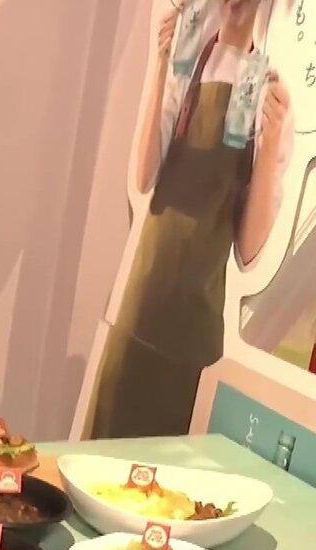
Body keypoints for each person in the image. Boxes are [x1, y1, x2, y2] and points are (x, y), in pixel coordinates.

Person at [86, 0, 292, 439]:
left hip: (195, 336)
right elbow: (144, 177)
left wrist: (272, 138)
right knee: (99, 448)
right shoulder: (187, 60)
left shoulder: (270, 93)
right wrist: (160, 66)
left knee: (166, 469)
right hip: (140, 311)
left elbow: (249, 250)